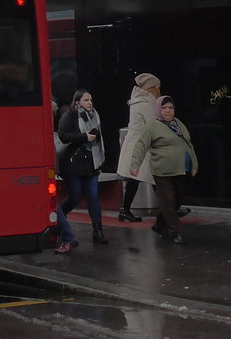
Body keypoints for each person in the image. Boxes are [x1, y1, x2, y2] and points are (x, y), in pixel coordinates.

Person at [127, 95, 199, 244]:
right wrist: (135, 166)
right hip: (162, 171)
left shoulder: (178, 123)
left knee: (177, 199)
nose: (167, 111)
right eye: (164, 108)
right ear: (158, 109)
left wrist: (194, 164)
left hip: (181, 169)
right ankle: (175, 231)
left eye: (170, 108)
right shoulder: (152, 125)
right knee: (168, 201)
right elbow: (141, 146)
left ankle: (160, 224)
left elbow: (188, 144)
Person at [57, 89, 108, 244]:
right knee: (75, 196)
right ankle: (60, 217)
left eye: (91, 100)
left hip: (91, 163)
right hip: (73, 164)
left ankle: (98, 232)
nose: (90, 103)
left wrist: (99, 161)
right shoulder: (70, 115)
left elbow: (99, 140)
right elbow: (63, 135)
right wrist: (83, 137)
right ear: (77, 101)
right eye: (86, 100)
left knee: (93, 196)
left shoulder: (95, 116)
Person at [115, 72, 159, 221]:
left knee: (135, 180)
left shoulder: (137, 101)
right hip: (141, 147)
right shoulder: (147, 103)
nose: (159, 89)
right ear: (151, 87)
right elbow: (153, 125)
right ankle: (170, 208)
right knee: (156, 178)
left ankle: (124, 210)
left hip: (134, 145)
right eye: (157, 86)